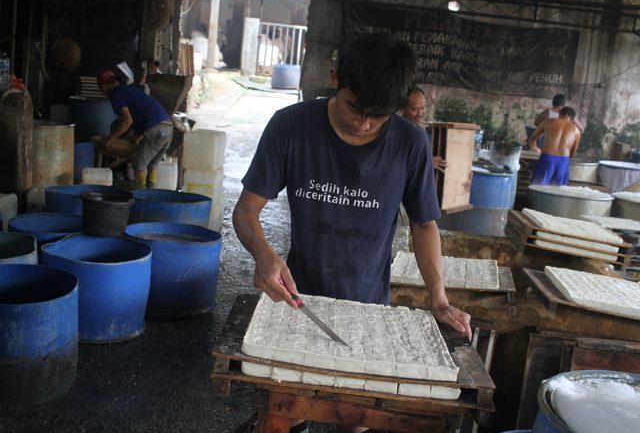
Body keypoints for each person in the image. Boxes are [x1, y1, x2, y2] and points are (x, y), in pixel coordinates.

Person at [233, 32, 472, 433]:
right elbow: (246, 210)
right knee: (290, 406)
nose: (362, 124)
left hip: (369, 307)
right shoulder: (292, 125)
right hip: (298, 301)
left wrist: (439, 297)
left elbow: (423, 223)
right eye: (355, 108)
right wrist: (262, 252)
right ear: (334, 78)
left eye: (378, 116)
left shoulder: (410, 143)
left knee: (356, 417)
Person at [96, 69, 173, 189]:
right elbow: (142, 115)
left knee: (139, 166)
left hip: (156, 128)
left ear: (103, 87)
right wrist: (137, 136)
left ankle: (140, 195)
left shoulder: (116, 95)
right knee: (152, 165)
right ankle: (151, 193)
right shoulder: (130, 91)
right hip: (168, 128)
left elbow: (127, 121)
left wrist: (110, 138)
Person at [528, 106, 581, 185]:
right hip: (563, 161)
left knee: (538, 188)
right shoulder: (577, 131)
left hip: (547, 158)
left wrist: (535, 148)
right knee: (558, 192)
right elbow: (572, 154)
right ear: (572, 119)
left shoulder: (547, 122)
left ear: (560, 114)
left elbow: (532, 139)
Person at [399, 86, 446, 170]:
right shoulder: (395, 133)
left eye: (423, 108)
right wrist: (428, 163)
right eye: (414, 109)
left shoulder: (424, 133)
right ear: (402, 109)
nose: (420, 113)